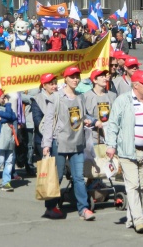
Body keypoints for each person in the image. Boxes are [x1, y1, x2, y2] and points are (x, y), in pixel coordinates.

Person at [105, 70, 143, 234]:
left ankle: (131, 219)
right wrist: (110, 145)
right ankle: (139, 221)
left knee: (140, 187)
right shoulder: (123, 101)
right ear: (135, 85)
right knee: (132, 186)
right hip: (128, 151)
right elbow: (112, 125)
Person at [41, 66, 98, 221]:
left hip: (77, 142)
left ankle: (83, 208)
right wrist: (46, 144)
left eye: (77, 76)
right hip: (59, 142)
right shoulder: (56, 97)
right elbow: (48, 120)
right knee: (57, 176)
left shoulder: (80, 96)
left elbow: (84, 114)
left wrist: (91, 120)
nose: (75, 79)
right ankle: (51, 207)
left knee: (79, 177)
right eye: (72, 77)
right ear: (65, 79)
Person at [29, 73, 62, 218]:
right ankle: (50, 206)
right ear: (44, 86)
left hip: (60, 139)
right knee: (52, 174)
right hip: (44, 141)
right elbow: (38, 123)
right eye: (51, 84)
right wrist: (50, 136)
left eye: (55, 83)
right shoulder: (37, 100)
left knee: (61, 172)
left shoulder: (60, 97)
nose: (54, 86)